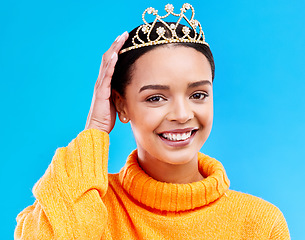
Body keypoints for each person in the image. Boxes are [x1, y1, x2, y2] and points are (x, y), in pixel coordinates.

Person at [14, 3, 290, 239]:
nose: (182, 114)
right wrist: (95, 130)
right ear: (121, 105)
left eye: (198, 94)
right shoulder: (92, 205)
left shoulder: (259, 224)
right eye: (156, 98)